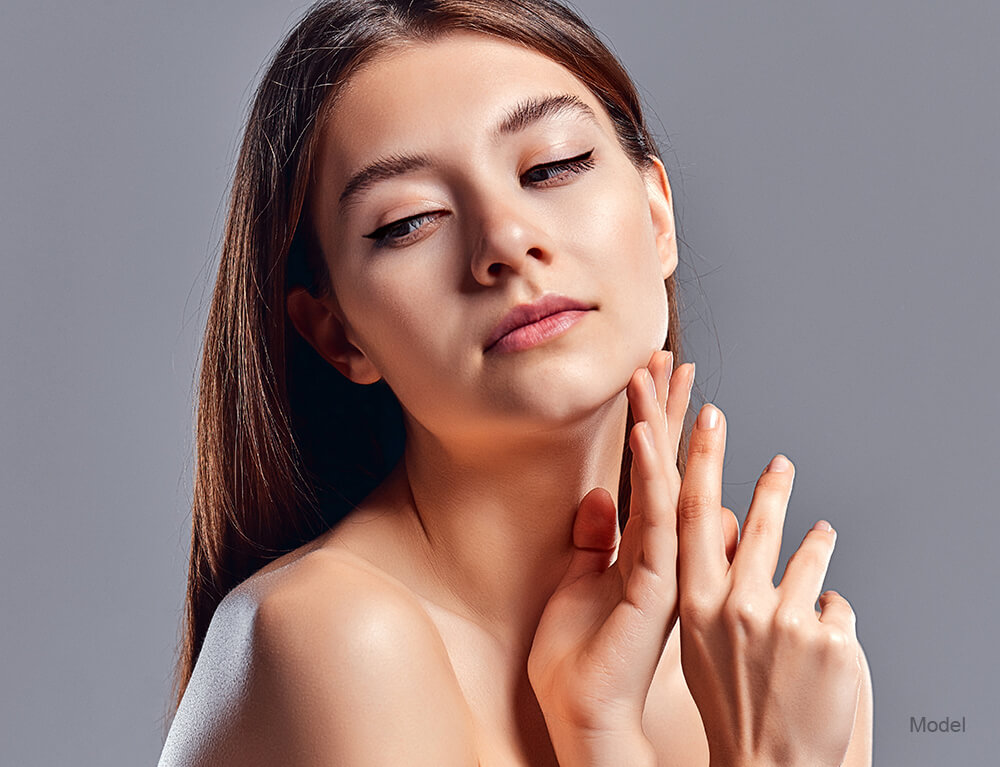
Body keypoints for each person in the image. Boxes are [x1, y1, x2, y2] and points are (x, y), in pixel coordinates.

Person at [160, 1, 873, 765]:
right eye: (408, 221)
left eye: (553, 166)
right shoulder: (336, 636)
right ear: (337, 332)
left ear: (658, 215)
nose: (505, 239)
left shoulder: (764, 658)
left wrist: (598, 732)